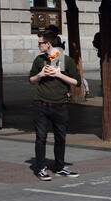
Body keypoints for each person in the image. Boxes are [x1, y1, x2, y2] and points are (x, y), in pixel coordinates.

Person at [28, 33, 80, 180]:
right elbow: (31, 80)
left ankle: (60, 166)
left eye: (40, 43)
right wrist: (40, 75)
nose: (39, 45)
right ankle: (40, 168)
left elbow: (77, 82)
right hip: (41, 104)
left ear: (48, 44)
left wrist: (59, 74)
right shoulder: (39, 60)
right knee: (41, 138)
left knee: (60, 138)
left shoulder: (66, 60)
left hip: (60, 105)